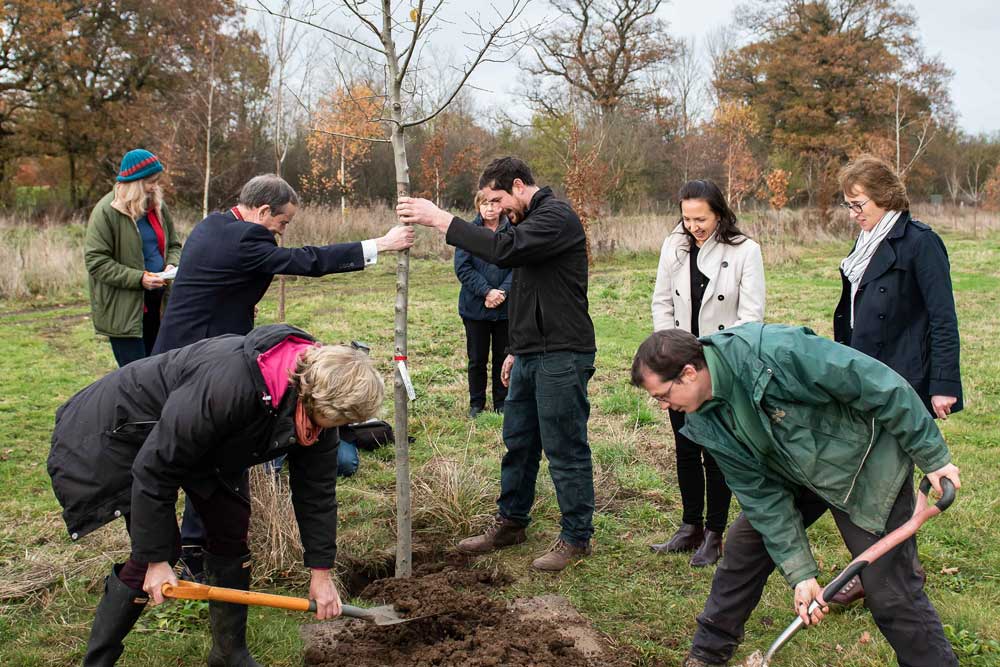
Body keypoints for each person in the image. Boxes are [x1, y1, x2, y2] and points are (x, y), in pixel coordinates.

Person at [48, 324, 384, 667]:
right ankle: (97, 661)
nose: (339, 428)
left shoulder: (314, 415)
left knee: (230, 529)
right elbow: (155, 467)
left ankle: (228, 654)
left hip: (206, 446)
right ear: (316, 399)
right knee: (157, 549)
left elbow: (317, 494)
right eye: (340, 419)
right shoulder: (231, 385)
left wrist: (321, 573)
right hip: (121, 431)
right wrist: (156, 561)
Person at [631, 325, 962, 667]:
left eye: (662, 395)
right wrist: (801, 574)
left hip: (861, 465)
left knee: (889, 591)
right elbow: (760, 496)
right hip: (791, 468)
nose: (662, 406)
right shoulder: (703, 419)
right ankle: (706, 655)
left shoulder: (774, 353)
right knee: (743, 549)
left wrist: (934, 457)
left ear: (688, 373)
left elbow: (878, 383)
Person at [151, 173, 412, 578]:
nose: (282, 231)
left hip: (175, 354)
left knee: (190, 451)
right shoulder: (246, 240)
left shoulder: (212, 225)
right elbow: (307, 261)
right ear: (262, 211)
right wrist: (379, 244)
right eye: (283, 222)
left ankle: (188, 545)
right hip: (201, 362)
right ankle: (195, 552)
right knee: (209, 455)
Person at [397, 157, 597, 572]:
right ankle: (511, 523)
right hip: (529, 352)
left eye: (499, 199)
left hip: (562, 353)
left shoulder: (555, 217)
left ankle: (576, 538)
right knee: (518, 442)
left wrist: (441, 220)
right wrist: (516, 349)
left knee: (564, 447)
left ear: (520, 186)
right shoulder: (526, 221)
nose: (497, 209)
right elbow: (526, 288)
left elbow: (504, 252)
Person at [830, 155, 964, 606]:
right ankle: (880, 568)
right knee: (869, 473)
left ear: (885, 197)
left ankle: (897, 574)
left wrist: (943, 383)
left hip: (901, 378)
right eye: (849, 204)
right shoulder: (866, 240)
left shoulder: (919, 243)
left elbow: (943, 318)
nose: (854, 213)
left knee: (891, 479)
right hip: (861, 375)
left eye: (858, 203)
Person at [650, 179, 765, 567]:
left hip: (720, 367)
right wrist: (665, 351)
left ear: (719, 213)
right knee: (685, 447)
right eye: (686, 218)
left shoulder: (746, 251)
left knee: (716, 451)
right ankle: (689, 526)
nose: (693, 226)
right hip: (678, 363)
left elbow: (751, 316)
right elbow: (662, 301)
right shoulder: (674, 246)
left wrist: (718, 363)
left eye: (701, 218)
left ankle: (715, 532)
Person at [84, 149, 182, 367]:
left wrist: (172, 263)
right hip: (125, 311)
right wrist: (139, 278)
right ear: (135, 182)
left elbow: (174, 244)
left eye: (157, 181)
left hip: (159, 304)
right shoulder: (106, 212)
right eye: (150, 182)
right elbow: (96, 261)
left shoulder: (157, 206)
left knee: (159, 372)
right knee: (135, 378)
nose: (155, 187)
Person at [454, 190, 513, 418]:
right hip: (475, 307)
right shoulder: (467, 233)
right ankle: (476, 403)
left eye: (494, 203)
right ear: (478, 206)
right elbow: (463, 268)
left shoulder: (514, 232)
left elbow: (519, 267)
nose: (490, 208)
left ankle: (502, 402)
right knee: (477, 359)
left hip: (506, 309)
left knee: (502, 357)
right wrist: (487, 291)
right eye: (484, 204)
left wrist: (503, 293)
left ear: (502, 206)